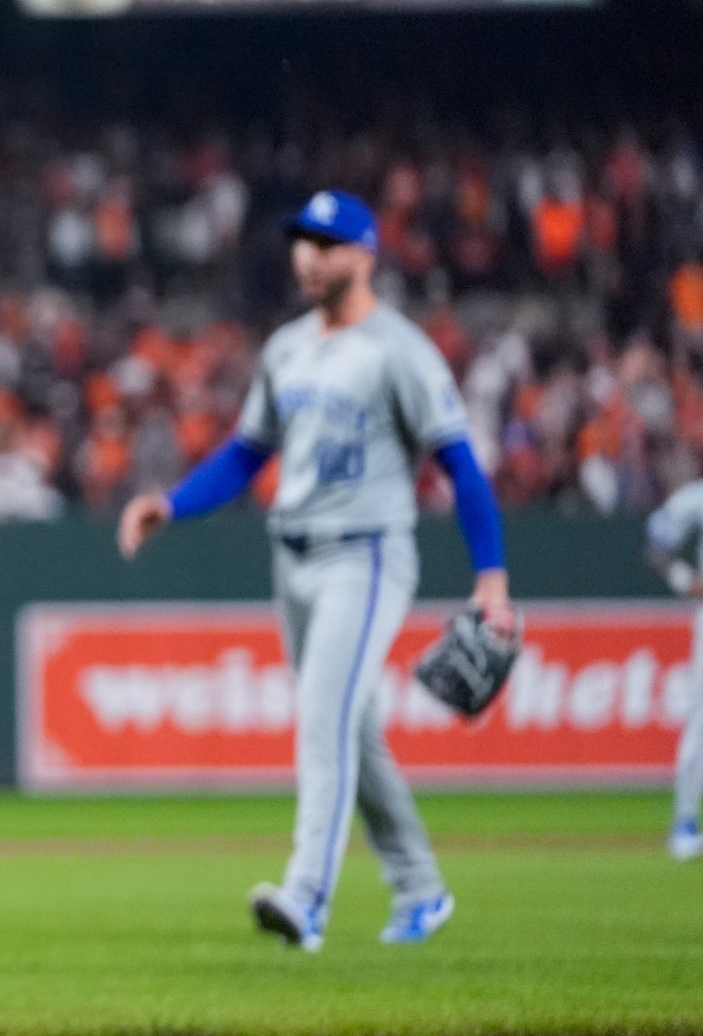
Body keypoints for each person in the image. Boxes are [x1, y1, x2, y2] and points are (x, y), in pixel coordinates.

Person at [118, 190, 511, 952]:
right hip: (292, 555)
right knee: (351, 731)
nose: (308, 255)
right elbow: (245, 453)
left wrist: (490, 574)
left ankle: (308, 898)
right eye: (302, 241)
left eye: (326, 243)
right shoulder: (287, 347)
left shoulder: (401, 350)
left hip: (363, 555)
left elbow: (461, 466)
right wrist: (170, 503)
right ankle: (421, 889)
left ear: (366, 254)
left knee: (322, 724)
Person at [642, 480, 703, 861]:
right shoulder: (696, 498)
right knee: (701, 723)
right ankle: (685, 821)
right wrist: (686, 580)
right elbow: (656, 539)